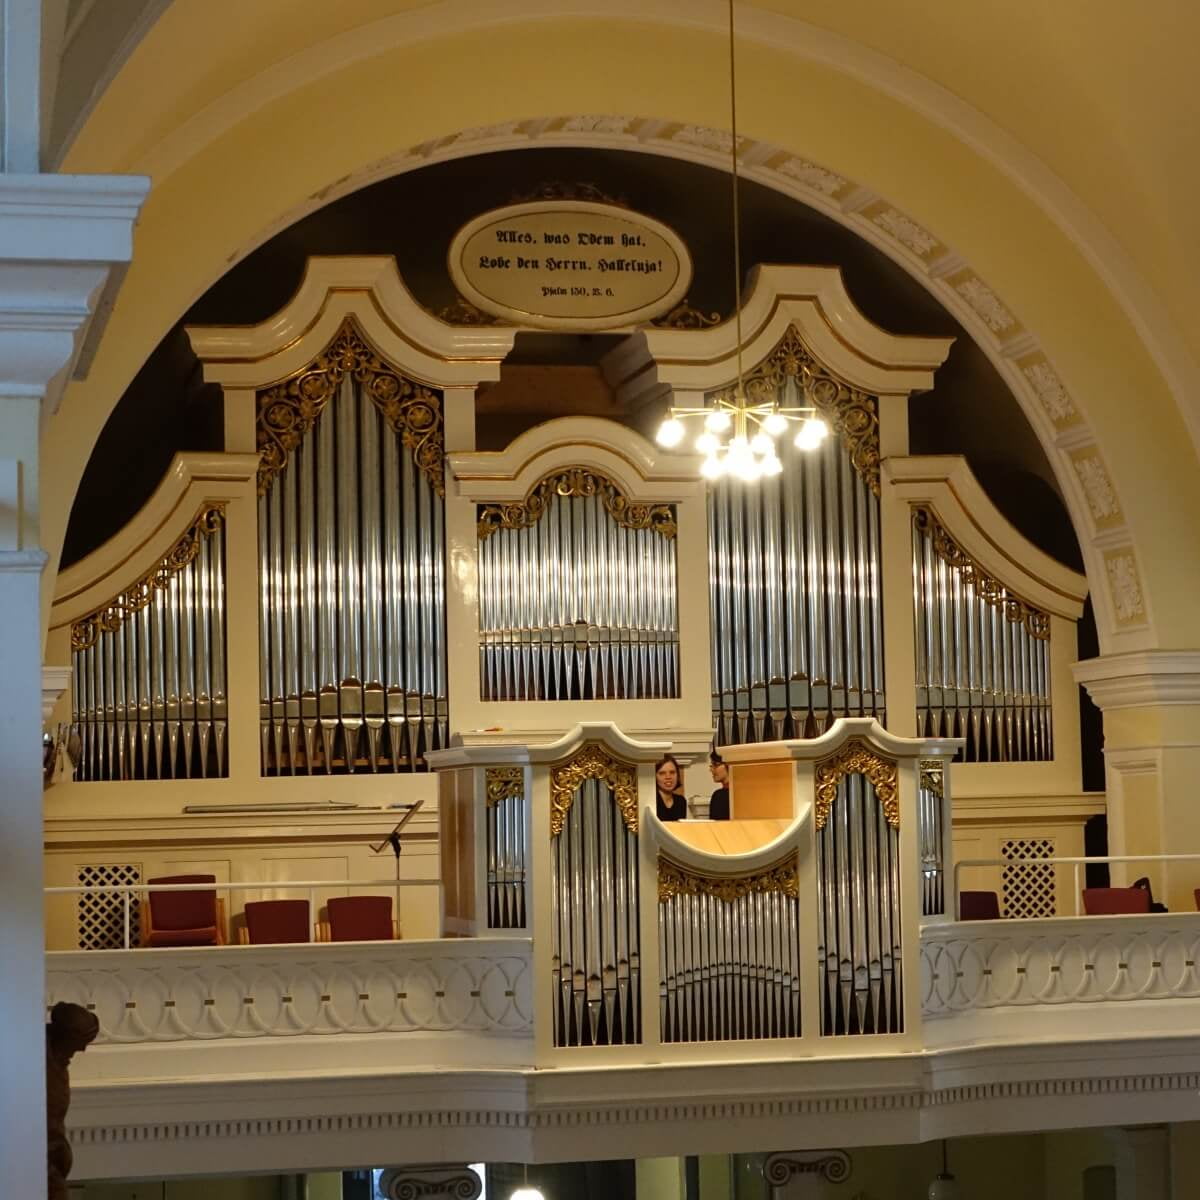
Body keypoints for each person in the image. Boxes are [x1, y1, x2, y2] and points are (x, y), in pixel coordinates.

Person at [655, 754, 688, 821]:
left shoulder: (681, 801)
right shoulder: (651, 801)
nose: (668, 777)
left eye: (672, 772)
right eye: (662, 773)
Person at [708, 751, 731, 820]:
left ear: (728, 764)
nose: (711, 769)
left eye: (715, 765)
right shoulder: (719, 794)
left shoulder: (719, 795)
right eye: (711, 765)